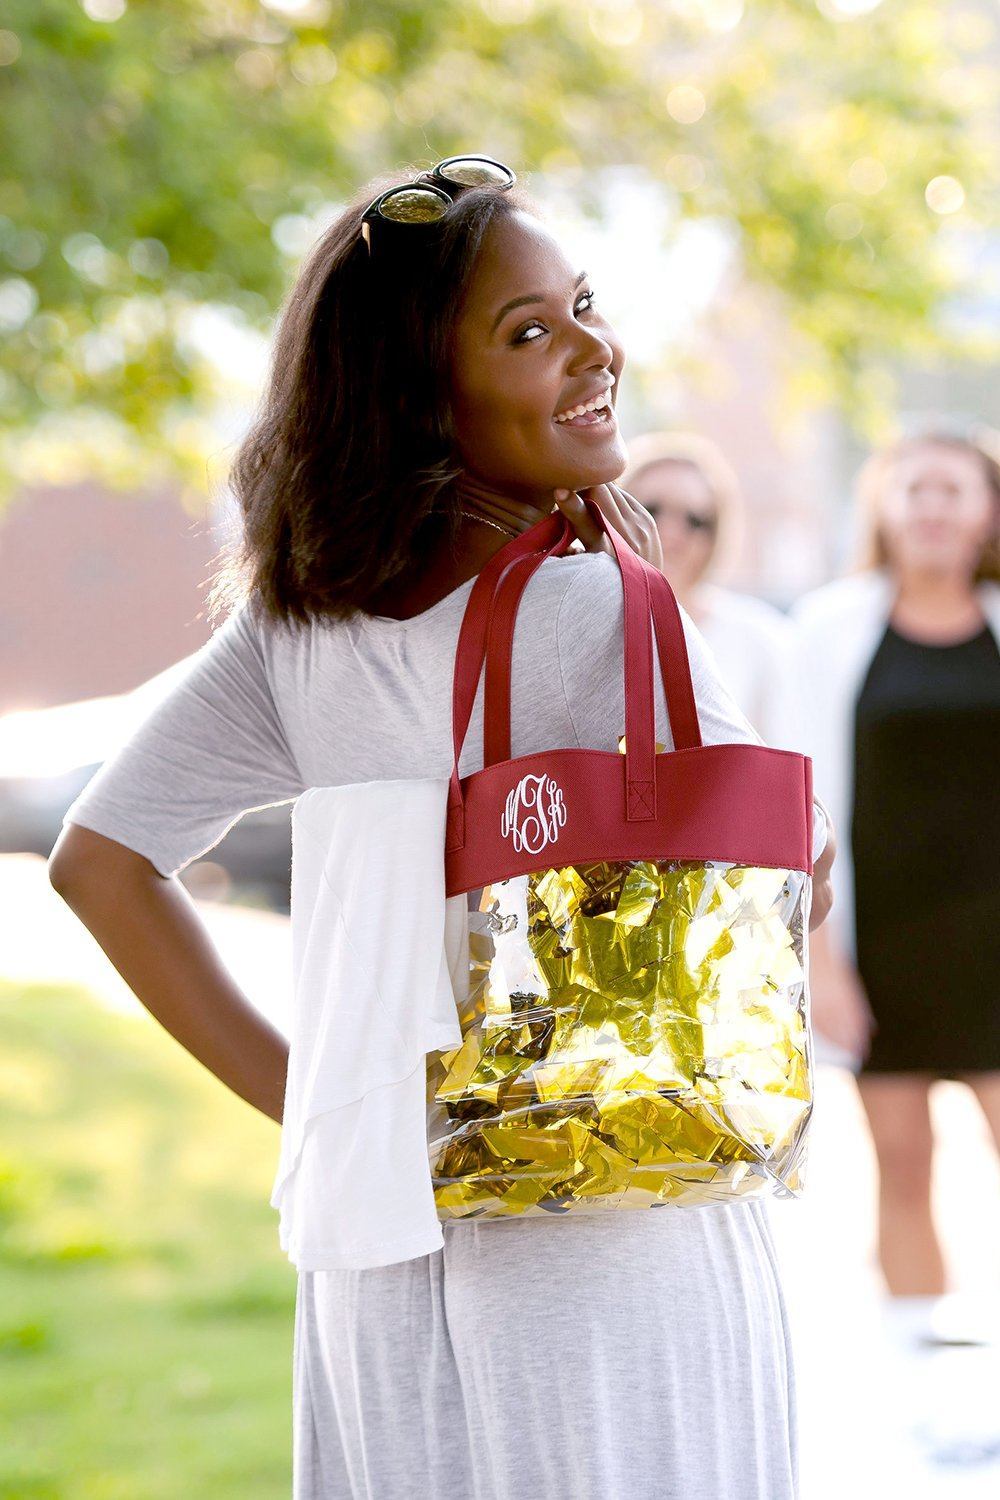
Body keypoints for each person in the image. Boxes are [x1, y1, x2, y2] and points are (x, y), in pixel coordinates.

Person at [48, 156, 834, 1499]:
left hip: (375, 1242)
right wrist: (642, 592)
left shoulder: (299, 631)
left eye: (583, 305)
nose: (593, 350)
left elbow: (99, 864)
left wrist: (321, 1103)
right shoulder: (598, 607)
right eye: (529, 332)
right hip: (614, 1236)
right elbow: (787, 892)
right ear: (421, 392)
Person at [785, 429, 1000, 1310]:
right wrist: (823, 964)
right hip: (884, 947)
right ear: (884, 508)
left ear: (987, 510)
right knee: (904, 1165)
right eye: (916, 489)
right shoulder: (828, 630)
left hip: (995, 946)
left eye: (954, 489)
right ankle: (921, 1362)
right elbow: (797, 808)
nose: (933, 507)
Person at [621, 432, 792, 742]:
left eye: (695, 520)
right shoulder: (577, 624)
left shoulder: (760, 638)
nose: (671, 533)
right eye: (652, 510)